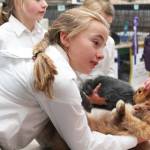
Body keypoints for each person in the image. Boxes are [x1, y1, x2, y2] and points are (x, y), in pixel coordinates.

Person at [0, 7, 139, 150]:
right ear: (65, 38)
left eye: (103, 46)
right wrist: (135, 139)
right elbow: (85, 145)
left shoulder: (48, 60)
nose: (102, 54)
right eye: (96, 43)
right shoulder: (58, 77)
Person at [77, 0, 118, 84]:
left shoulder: (110, 42)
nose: (105, 30)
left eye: (108, 25)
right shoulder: (75, 42)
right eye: (102, 23)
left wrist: (109, 89)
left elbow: (111, 70)